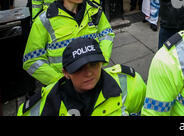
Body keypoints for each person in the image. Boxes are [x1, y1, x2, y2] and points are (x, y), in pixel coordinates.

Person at [23, 0, 114, 86]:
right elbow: (32, 60)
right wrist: (60, 81)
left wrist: (101, 60)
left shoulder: (94, 10)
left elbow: (106, 33)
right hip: (64, 87)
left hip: (94, 77)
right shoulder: (44, 20)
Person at [18, 38, 146, 116]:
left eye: (94, 64)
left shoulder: (129, 83)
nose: (89, 73)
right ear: (66, 73)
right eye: (79, 68)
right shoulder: (45, 103)